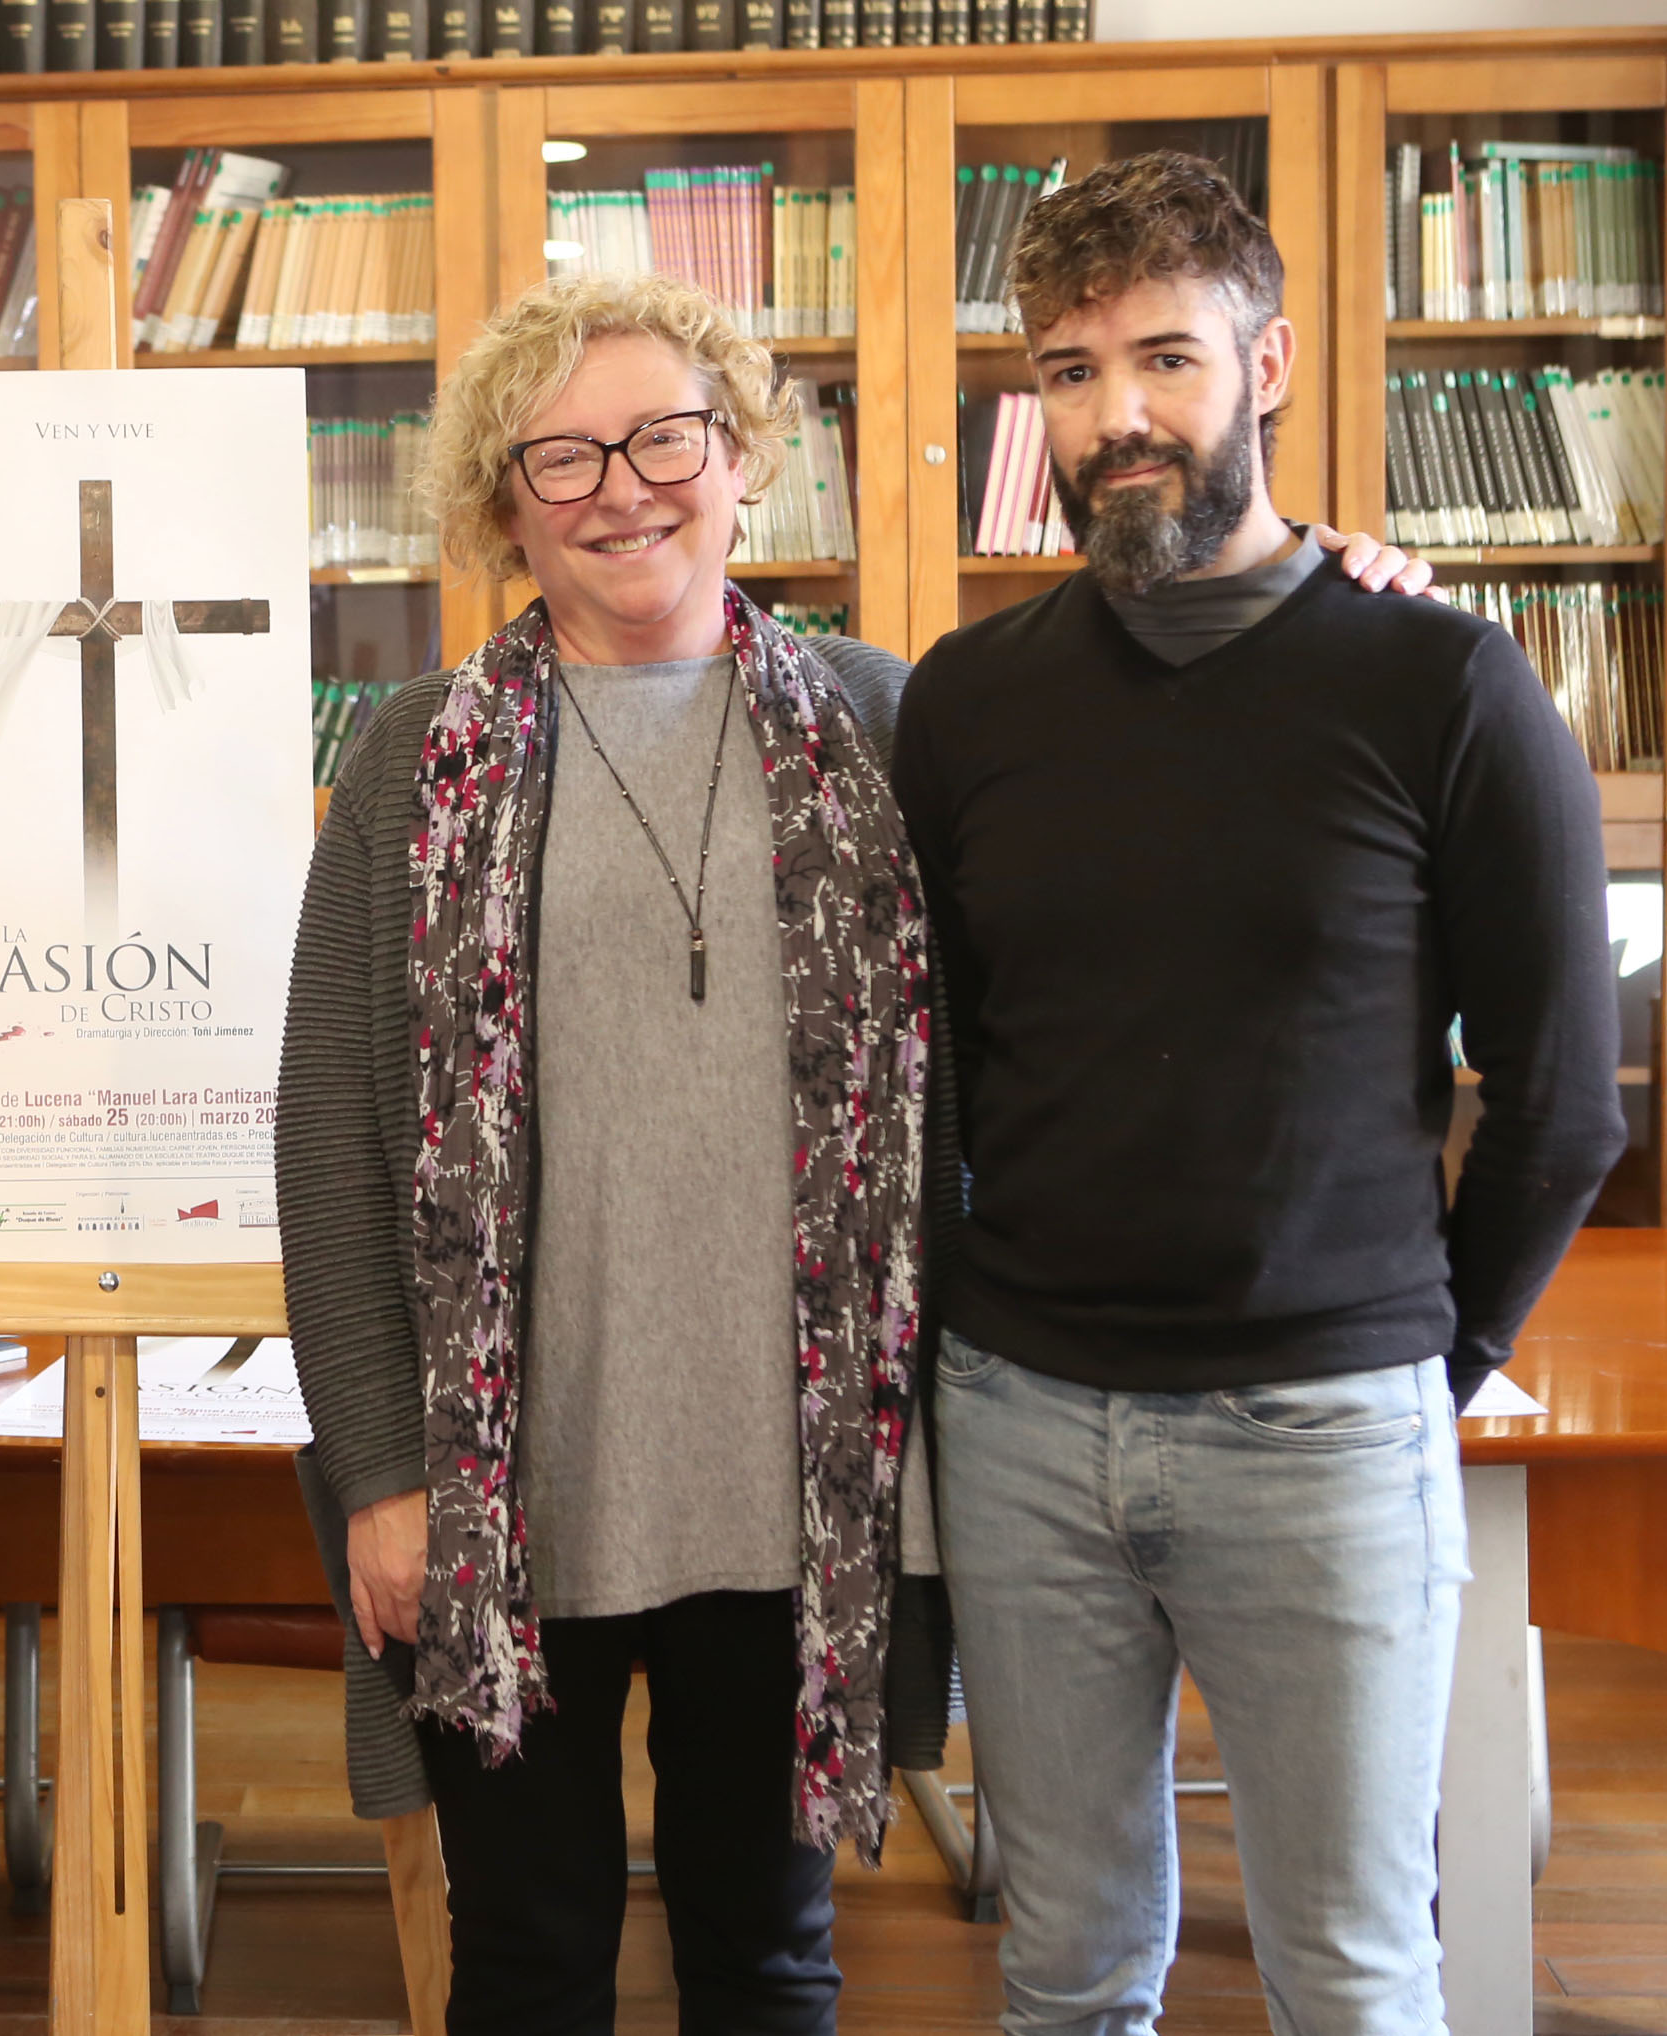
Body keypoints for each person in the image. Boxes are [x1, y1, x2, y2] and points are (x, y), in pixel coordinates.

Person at [893, 151, 1624, 2036]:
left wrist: (1414, 1365)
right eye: (1067, 371)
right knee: (1062, 1968)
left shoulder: (1447, 685)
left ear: (1269, 360)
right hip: (1027, 1427)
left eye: (1165, 358)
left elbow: (1559, 1097)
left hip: (1326, 1431)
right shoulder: (968, 703)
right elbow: (942, 1066)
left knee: (1354, 1975)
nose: (1117, 416)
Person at [276, 269, 938, 2036]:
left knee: (769, 1960)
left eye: (664, 436)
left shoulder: (889, 731)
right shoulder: (415, 761)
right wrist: (382, 1473)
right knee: (530, 1963)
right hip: (510, 1494)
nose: (619, 488)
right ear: (502, 508)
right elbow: (330, 1140)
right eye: (558, 457)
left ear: (748, 459)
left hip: (792, 1484)